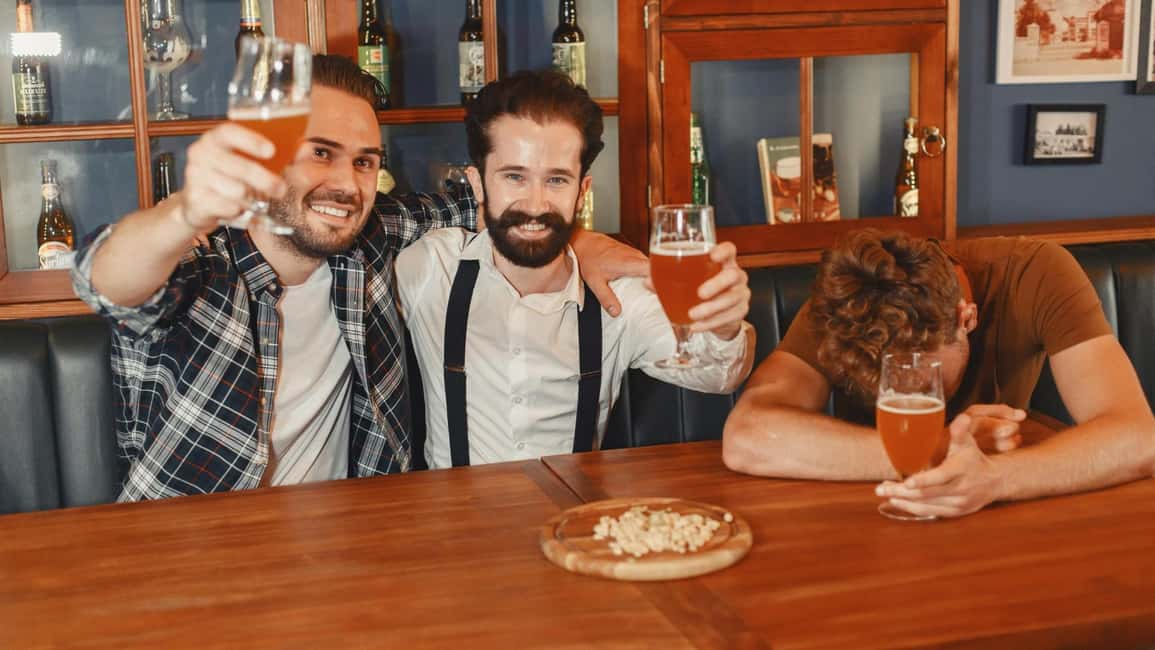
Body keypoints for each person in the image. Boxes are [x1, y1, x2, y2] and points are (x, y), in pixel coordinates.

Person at [71, 56, 643, 501]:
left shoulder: (369, 241)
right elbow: (104, 280)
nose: (347, 184)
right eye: (321, 153)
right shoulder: (200, 261)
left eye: (365, 161)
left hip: (348, 547)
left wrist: (579, 241)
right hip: (185, 555)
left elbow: (507, 206)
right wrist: (186, 212)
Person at [396, 70, 756, 469]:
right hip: (453, 509)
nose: (536, 205)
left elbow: (719, 375)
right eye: (514, 176)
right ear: (477, 184)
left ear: (582, 192)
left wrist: (723, 327)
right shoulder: (432, 268)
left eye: (556, 180)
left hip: (574, 508)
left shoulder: (616, 296)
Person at [723, 229, 1155, 518]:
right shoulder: (849, 304)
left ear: (966, 318)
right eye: (876, 376)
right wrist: (939, 449)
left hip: (1002, 519)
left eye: (918, 371)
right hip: (870, 515)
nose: (895, 390)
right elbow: (747, 436)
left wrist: (994, 479)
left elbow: (1138, 437)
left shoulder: (1035, 271)